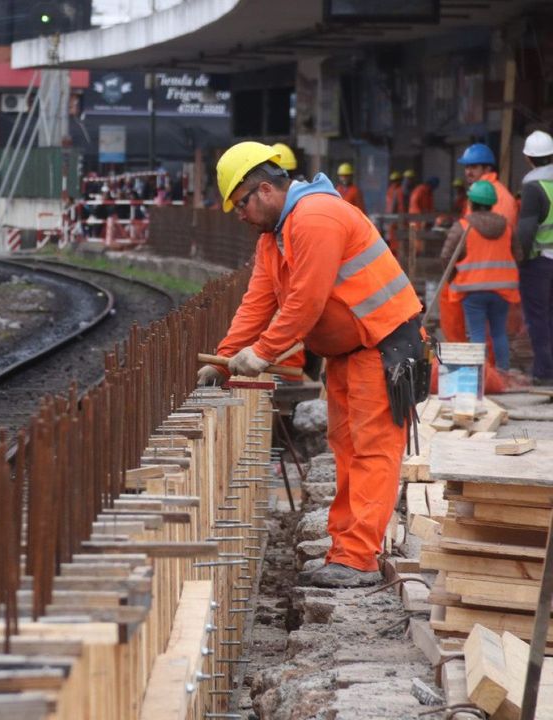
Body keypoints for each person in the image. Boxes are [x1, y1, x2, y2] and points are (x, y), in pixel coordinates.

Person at [196, 142, 425, 588]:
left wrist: (263, 353)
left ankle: (358, 559)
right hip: (349, 352)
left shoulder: (316, 217)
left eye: (240, 203)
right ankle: (344, 550)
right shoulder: (274, 238)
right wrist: (224, 361)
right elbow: (257, 304)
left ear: (265, 190)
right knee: (346, 450)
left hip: (383, 347)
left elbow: (306, 301)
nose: (239, 215)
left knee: (372, 451)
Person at [441, 180, 520, 371]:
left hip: (472, 290)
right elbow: (519, 255)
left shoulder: (463, 226)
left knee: (477, 333)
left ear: (471, 202)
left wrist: (454, 279)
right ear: (492, 203)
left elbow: (446, 257)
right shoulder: (507, 226)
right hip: (502, 290)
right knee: (499, 333)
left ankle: (480, 375)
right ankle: (502, 372)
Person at [517, 130, 553, 384]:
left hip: (539, 262)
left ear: (528, 158)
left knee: (538, 317)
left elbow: (526, 230)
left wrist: (521, 259)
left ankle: (544, 372)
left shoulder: (533, 187)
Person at [385, 171, 405, 257]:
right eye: (393, 181)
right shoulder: (396, 191)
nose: (395, 183)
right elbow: (397, 206)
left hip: (394, 219)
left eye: (396, 181)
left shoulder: (395, 190)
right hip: (394, 220)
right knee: (394, 240)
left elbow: (400, 206)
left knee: (394, 240)